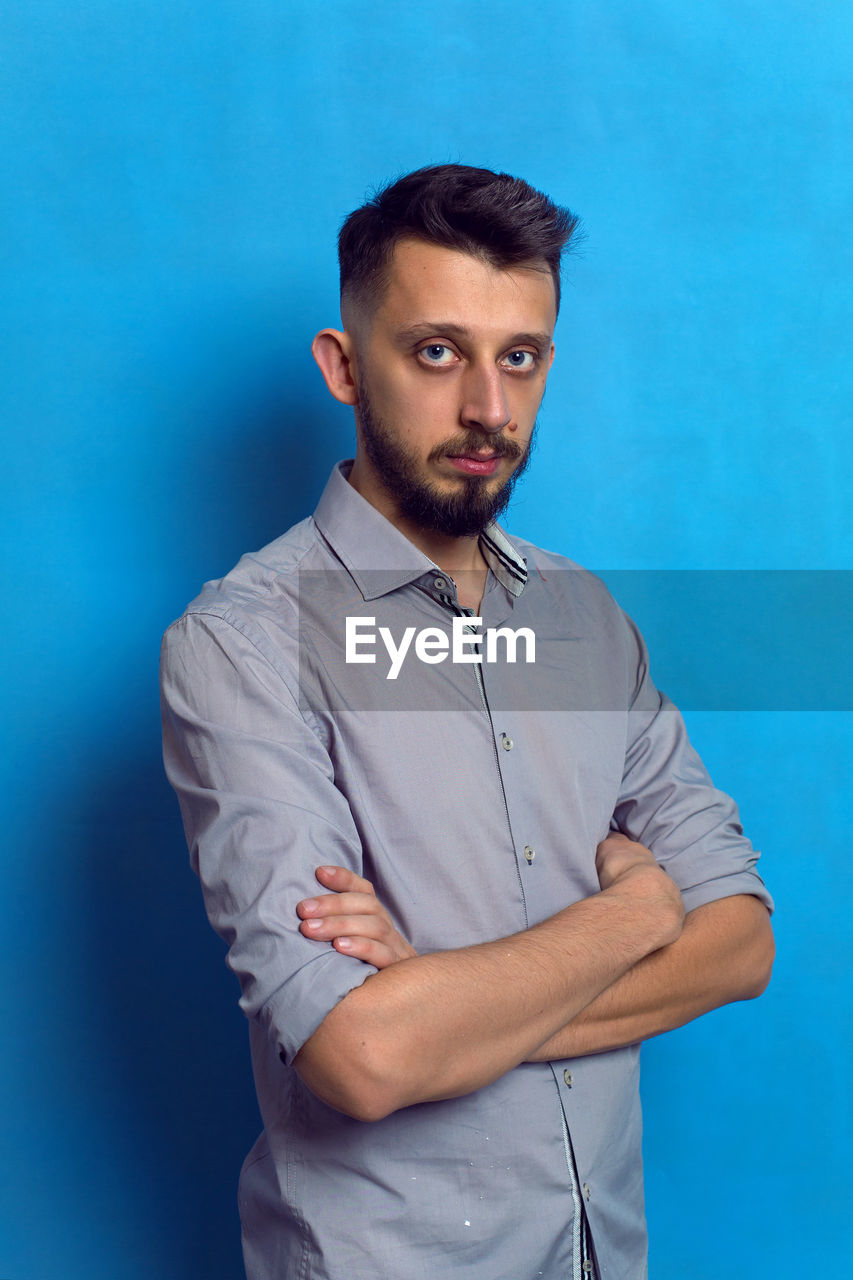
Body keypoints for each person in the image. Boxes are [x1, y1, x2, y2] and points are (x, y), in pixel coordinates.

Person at [160, 164, 774, 1280]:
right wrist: (634, 910)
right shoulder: (239, 644)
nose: (488, 407)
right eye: (436, 351)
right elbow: (365, 1055)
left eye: (520, 356)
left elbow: (738, 944)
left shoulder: (587, 618)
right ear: (344, 368)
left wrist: (450, 1005)